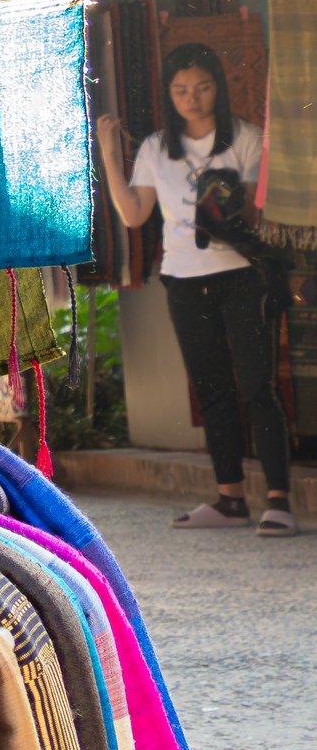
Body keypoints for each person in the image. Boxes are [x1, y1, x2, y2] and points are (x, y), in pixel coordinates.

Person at [96, 43, 295, 535]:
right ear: (169, 93)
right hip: (184, 281)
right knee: (212, 390)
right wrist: (109, 156)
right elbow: (134, 214)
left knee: (258, 387)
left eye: (202, 87)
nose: (192, 98)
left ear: (217, 88)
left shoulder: (245, 138)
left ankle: (278, 501)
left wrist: (224, 209)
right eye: (181, 89)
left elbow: (259, 213)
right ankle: (230, 500)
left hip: (242, 276)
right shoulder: (155, 147)